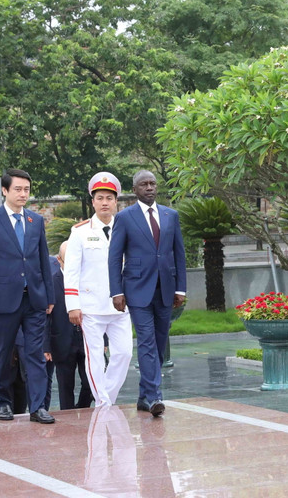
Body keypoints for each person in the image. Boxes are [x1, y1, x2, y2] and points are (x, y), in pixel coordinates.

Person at [0, 168, 56, 424]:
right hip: (4, 299)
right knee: (2, 352)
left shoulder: (35, 220)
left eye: (26, 190)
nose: (23, 194)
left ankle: (38, 407)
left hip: (34, 298)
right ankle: (2, 402)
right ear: (5, 190)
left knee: (35, 353)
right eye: (18, 189)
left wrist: (49, 296)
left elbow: (43, 260)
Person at [109, 170, 186, 417]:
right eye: (144, 184)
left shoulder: (170, 215)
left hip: (165, 289)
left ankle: (144, 396)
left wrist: (180, 288)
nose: (150, 188)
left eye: (153, 184)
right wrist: (116, 291)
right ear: (135, 189)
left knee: (160, 342)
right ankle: (154, 397)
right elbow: (114, 256)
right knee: (146, 342)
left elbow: (179, 254)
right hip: (137, 290)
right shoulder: (125, 217)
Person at [64, 172, 133, 407]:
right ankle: (103, 403)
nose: (105, 202)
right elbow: (71, 271)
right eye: (100, 197)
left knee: (124, 354)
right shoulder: (80, 232)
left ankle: (106, 398)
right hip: (91, 306)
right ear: (92, 201)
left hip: (120, 305)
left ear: (116, 202)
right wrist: (73, 306)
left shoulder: (126, 229)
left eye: (109, 198)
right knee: (94, 357)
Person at [45, 241, 92, 410]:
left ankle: (82, 407)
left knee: (91, 383)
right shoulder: (50, 283)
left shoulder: (88, 280)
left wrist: (105, 341)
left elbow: (100, 309)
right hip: (62, 341)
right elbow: (46, 317)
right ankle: (68, 423)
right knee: (66, 387)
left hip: (87, 338)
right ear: (59, 260)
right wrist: (46, 346)